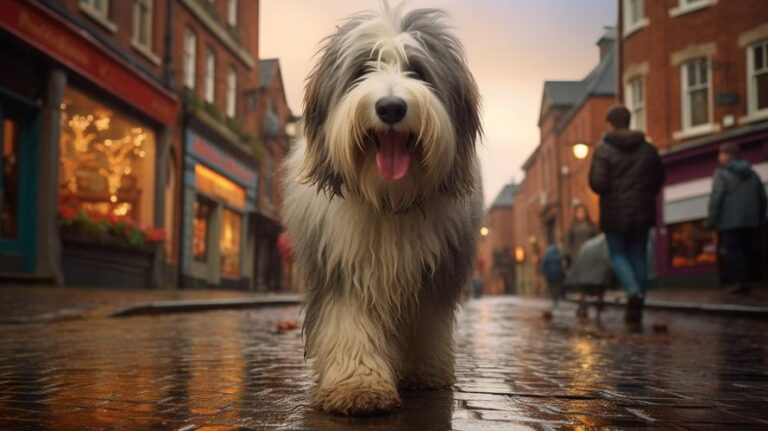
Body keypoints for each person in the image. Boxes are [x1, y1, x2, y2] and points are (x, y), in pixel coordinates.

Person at [589, 106, 664, 325]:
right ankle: (639, 300)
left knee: (618, 254)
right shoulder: (648, 149)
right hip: (643, 210)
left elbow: (597, 183)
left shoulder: (603, 150)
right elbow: (659, 178)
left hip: (615, 213)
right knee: (638, 254)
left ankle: (633, 293)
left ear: (611, 124)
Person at [707, 142, 767, 294]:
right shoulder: (753, 174)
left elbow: (717, 197)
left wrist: (712, 220)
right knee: (745, 251)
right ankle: (746, 280)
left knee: (732, 251)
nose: (719, 158)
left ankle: (739, 282)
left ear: (728, 156)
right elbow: (762, 198)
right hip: (750, 221)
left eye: (721, 154)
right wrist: (759, 218)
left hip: (730, 221)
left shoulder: (721, 173)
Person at [540, 242, 565, 308]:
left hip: (549, 274)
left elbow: (543, 265)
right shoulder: (558, 255)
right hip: (557, 274)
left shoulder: (547, 256)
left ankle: (553, 297)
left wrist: (544, 272)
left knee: (551, 286)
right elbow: (561, 264)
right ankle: (556, 298)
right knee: (556, 286)